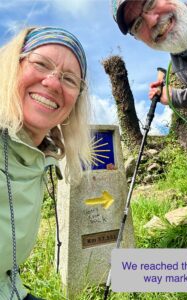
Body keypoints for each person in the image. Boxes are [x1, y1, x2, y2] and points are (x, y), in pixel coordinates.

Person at [0, 26, 91, 299]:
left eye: (69, 79)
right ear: (12, 66)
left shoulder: (40, 156)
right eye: (40, 63)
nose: (52, 83)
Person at [111, 0, 187, 118]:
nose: (152, 21)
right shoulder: (182, 70)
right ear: (137, 39)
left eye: (149, 3)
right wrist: (173, 97)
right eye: (137, 24)